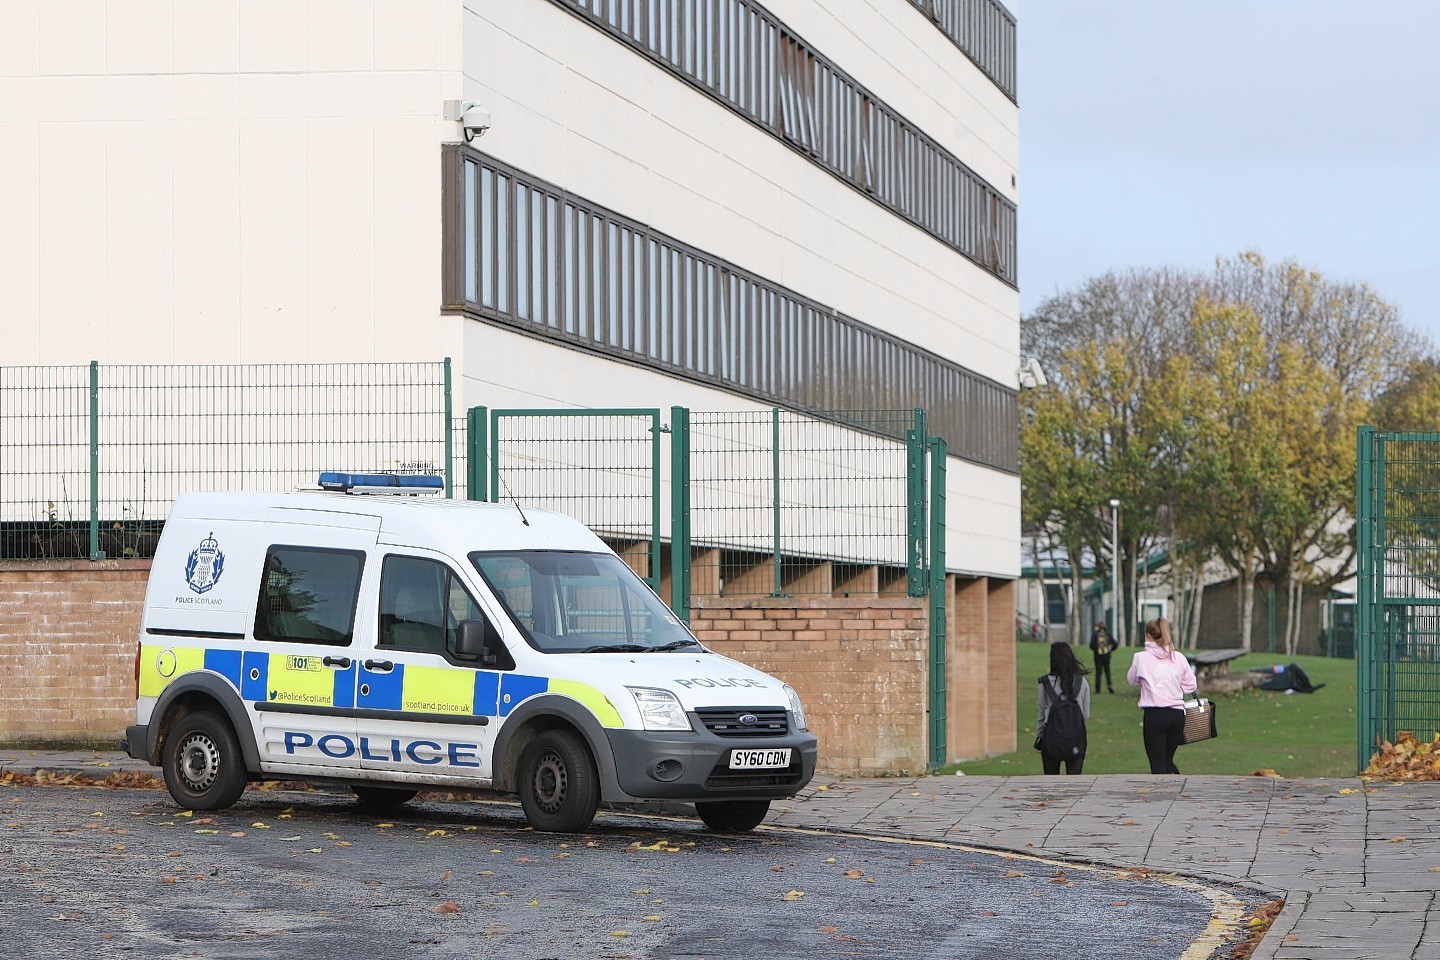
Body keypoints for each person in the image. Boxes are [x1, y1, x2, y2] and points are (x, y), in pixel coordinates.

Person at [1126, 617, 1198, 775]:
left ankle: (1163, 797)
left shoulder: (1141, 658)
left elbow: (1131, 680)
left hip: (1156, 714)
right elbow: (1191, 685)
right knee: (1167, 760)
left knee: (1157, 764)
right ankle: (1178, 790)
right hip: (1178, 715)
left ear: (1148, 636)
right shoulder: (1178, 657)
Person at [1034, 641, 1091, 775]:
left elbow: (1041, 716)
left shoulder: (1045, 684)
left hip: (1051, 739)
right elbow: (1086, 715)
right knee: (1074, 783)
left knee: (1051, 782)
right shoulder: (1081, 682)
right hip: (1076, 737)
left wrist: (1039, 738)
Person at [1089, 622, 1116, 693]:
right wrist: (1110, 650)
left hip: (1097, 656)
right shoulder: (1108, 634)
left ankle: (1098, 689)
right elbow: (1115, 644)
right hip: (1106, 656)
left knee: (1098, 672)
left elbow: (1091, 645)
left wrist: (1096, 650)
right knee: (1107, 671)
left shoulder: (1095, 635)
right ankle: (1109, 685)